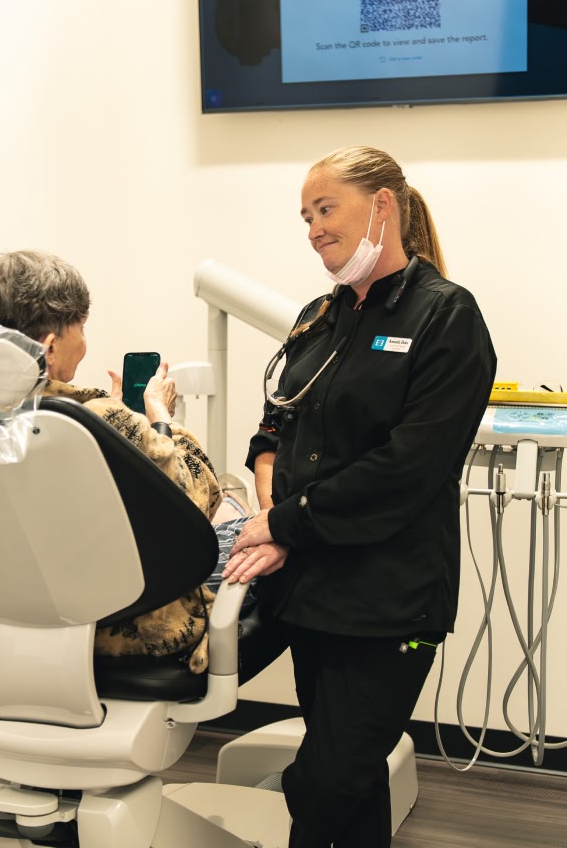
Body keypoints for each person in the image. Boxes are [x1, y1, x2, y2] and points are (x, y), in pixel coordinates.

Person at [222, 146, 497, 848]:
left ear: (382, 206)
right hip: (312, 589)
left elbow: (406, 467)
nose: (313, 227)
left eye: (326, 208)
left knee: (325, 781)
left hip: (391, 599)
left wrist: (286, 521)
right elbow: (272, 428)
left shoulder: (447, 317)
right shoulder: (320, 315)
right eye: (306, 215)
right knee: (357, 776)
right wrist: (272, 510)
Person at [0, 249, 223, 674]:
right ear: (50, 346)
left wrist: (118, 423)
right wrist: (158, 421)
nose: (85, 341)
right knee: (250, 539)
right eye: (81, 328)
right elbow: (195, 501)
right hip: (115, 638)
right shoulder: (100, 421)